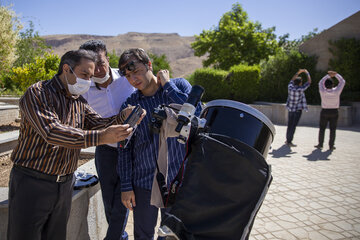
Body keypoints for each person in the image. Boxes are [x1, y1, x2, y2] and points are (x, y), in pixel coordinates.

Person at [8, 49, 144, 240]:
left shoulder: (78, 101)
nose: (88, 81)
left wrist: (123, 116)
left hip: (64, 184)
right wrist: (100, 138)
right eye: (85, 75)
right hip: (33, 182)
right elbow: (52, 132)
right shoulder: (38, 93)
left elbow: (99, 123)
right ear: (66, 69)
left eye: (90, 76)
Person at [117, 48, 201, 240]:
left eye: (136, 70)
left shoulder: (178, 86)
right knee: (143, 234)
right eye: (128, 75)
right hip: (144, 182)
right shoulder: (130, 106)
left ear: (149, 65)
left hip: (178, 182)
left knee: (174, 235)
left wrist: (168, 86)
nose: (133, 79)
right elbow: (124, 148)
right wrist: (126, 186)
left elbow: (195, 116)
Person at [80, 40, 134, 240]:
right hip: (105, 150)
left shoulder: (127, 78)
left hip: (133, 149)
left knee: (123, 200)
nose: (100, 69)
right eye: (94, 65)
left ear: (107, 58)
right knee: (109, 202)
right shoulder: (84, 90)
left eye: (102, 62)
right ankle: (121, 237)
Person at [314, 71, 345, 150]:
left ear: (325, 85)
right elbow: (342, 81)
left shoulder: (322, 91)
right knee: (333, 129)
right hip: (334, 112)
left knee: (322, 129)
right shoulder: (337, 91)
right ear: (333, 85)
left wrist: (328, 75)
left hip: (324, 111)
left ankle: (320, 144)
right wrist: (336, 75)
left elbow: (320, 82)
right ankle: (331, 146)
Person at [285, 69, 311, 147]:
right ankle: (289, 141)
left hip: (290, 110)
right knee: (293, 126)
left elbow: (291, 80)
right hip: (297, 110)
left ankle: (287, 140)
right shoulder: (301, 89)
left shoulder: (290, 88)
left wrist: (298, 72)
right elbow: (309, 82)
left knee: (289, 125)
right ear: (300, 83)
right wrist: (307, 72)